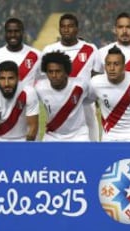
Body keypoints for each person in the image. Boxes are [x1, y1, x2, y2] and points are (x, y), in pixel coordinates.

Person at [42, 13, 102, 141]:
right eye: (63, 26)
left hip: (85, 103)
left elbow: (97, 77)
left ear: (77, 29)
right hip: (57, 102)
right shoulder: (49, 50)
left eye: (70, 26)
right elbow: (44, 77)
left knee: (91, 141)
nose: (66, 29)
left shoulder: (90, 49)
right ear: (59, 29)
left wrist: (95, 96)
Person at [90, 46, 130, 142]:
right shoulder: (95, 83)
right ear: (104, 66)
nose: (112, 68)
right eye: (108, 64)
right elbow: (89, 101)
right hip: (109, 135)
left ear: (124, 66)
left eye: (116, 64)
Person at [35, 51, 91, 141]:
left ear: (66, 72)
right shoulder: (39, 88)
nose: (54, 75)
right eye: (50, 72)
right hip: (52, 135)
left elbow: (91, 98)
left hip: (79, 135)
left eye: (58, 71)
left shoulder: (81, 85)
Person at [0, 61, 39, 141]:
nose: (6, 83)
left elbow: (33, 128)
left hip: (22, 140)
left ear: (18, 78)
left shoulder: (29, 93)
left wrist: (25, 149)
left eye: (11, 78)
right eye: (2, 78)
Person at [0, 18, 42, 98]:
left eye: (16, 31)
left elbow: (44, 81)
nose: (13, 35)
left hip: (28, 108)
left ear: (22, 33)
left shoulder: (36, 55)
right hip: (1, 108)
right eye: (9, 32)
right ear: (5, 33)